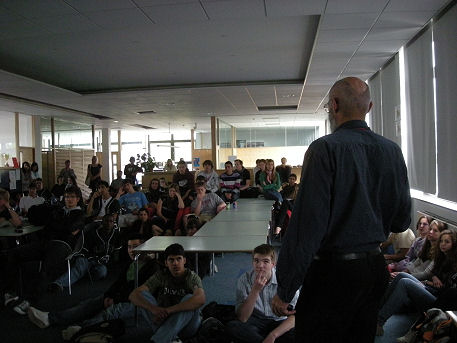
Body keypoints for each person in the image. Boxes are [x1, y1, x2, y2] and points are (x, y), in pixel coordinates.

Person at [271, 77, 411, 342]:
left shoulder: (324, 149)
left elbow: (307, 227)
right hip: (373, 271)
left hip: (332, 275)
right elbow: (401, 221)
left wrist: (285, 288)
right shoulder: (393, 151)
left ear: (334, 105)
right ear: (369, 107)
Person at [27, 235, 159, 333]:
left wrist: (115, 299)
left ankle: (82, 330)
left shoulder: (151, 266)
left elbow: (137, 290)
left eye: (135, 246)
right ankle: (50, 318)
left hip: (140, 303)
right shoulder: (131, 263)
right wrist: (108, 295)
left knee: (111, 312)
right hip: (122, 296)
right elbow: (119, 283)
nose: (131, 250)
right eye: (129, 246)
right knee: (91, 303)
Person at [3, 185, 85, 315]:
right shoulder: (59, 210)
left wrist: (55, 224)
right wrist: (57, 224)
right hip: (46, 242)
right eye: (67, 197)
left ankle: (30, 301)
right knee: (14, 253)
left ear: (78, 199)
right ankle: (10, 291)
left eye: (72, 197)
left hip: (63, 246)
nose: (69, 199)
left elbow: (69, 229)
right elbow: (47, 223)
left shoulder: (80, 214)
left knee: (46, 269)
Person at [377, 229, 457, 337]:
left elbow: (448, 291)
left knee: (405, 282)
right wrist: (433, 277)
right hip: (431, 289)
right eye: (441, 241)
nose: (442, 244)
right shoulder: (441, 257)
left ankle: (379, 322)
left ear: (453, 244)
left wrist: (427, 283)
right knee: (401, 275)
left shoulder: (454, 264)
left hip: (437, 300)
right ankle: (377, 308)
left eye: (447, 242)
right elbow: (432, 273)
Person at [127, 243, 205, 342]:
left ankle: (158, 340)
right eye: (171, 260)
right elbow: (133, 295)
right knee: (142, 294)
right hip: (163, 319)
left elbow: (201, 299)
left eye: (178, 259)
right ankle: (172, 338)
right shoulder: (161, 276)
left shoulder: (191, 277)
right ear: (166, 263)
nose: (175, 263)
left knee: (190, 298)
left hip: (187, 325)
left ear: (184, 261)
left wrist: (168, 310)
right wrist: (153, 309)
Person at [226, 244, 298, 343]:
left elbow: (294, 316)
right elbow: (243, 317)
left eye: (265, 261)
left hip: (279, 321)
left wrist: (273, 335)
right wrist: (255, 290)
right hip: (255, 320)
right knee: (233, 327)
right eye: (256, 261)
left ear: (273, 264)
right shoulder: (244, 279)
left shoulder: (286, 281)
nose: (260, 265)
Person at [48, 214, 121, 292]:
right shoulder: (93, 233)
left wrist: (107, 262)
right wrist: (94, 258)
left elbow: (116, 256)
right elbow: (84, 250)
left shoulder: (117, 235)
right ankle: (58, 284)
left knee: (102, 271)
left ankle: (83, 273)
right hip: (89, 259)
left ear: (114, 223)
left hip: (101, 264)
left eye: (111, 221)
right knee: (81, 263)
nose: (109, 223)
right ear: (102, 222)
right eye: (106, 221)